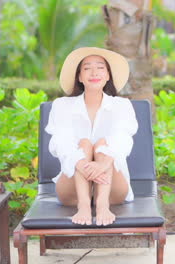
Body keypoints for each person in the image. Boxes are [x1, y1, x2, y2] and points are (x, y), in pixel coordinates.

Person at [45, 47, 137, 226]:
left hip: (113, 191)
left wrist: (102, 163)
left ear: (108, 75)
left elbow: (123, 139)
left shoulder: (122, 105)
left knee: (103, 145)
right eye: (87, 68)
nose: (94, 72)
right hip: (71, 189)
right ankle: (84, 205)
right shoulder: (62, 105)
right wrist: (81, 163)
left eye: (100, 67)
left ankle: (102, 205)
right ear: (79, 76)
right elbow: (60, 142)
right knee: (85, 144)